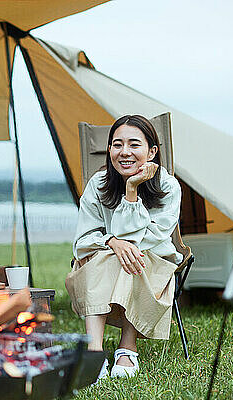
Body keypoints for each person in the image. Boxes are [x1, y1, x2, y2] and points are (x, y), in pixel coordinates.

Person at [65, 114, 182, 381]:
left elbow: (149, 239)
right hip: (104, 261)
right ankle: (98, 350)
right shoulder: (98, 183)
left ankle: (125, 347)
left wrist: (132, 190)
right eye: (117, 145)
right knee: (113, 256)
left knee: (131, 255)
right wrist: (111, 241)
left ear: (152, 151)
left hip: (151, 261)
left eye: (134, 145)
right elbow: (82, 240)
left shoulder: (168, 187)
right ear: (109, 150)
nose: (125, 152)